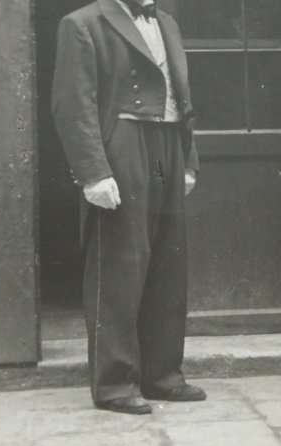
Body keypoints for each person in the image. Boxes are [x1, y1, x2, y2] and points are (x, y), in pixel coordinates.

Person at [51, 0, 206, 414]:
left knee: (168, 263)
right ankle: (115, 385)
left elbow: (181, 92)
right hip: (122, 143)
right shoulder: (82, 23)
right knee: (120, 261)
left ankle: (163, 376)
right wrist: (93, 173)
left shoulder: (168, 22)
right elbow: (72, 104)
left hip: (168, 145)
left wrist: (187, 159)